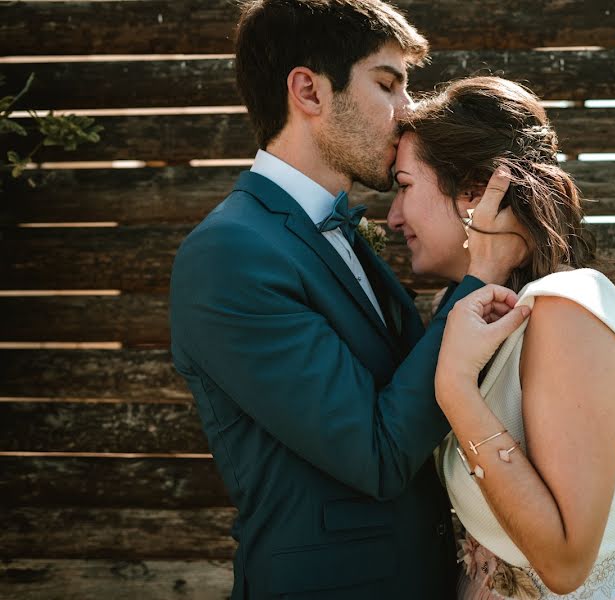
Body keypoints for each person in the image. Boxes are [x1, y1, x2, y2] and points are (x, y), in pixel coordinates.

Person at [168, 3, 528, 598]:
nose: (408, 110)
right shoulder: (229, 255)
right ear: (308, 90)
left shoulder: (336, 233)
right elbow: (378, 455)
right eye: (387, 84)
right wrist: (479, 277)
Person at [386, 77, 615, 599]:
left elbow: (563, 564)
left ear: (475, 191)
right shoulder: (470, 312)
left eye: (403, 185)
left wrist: (455, 390)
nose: (393, 216)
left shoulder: (567, 311)